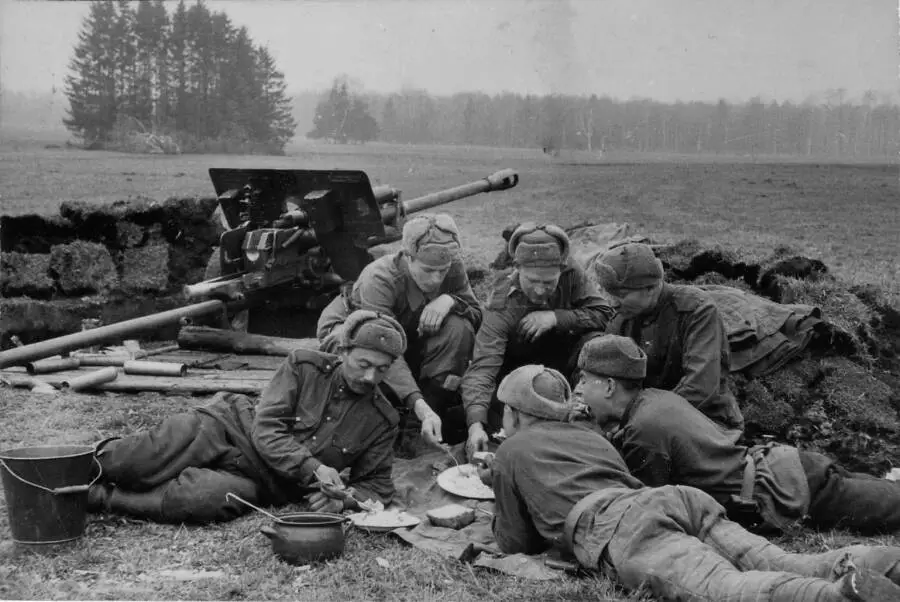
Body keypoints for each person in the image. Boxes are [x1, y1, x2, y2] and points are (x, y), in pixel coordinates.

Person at [481, 363, 900, 601]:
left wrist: (498, 495)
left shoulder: (510, 452)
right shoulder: (591, 436)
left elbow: (516, 542)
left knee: (723, 588)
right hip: (674, 501)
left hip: (619, 526)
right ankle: (881, 562)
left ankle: (838, 597)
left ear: (514, 414)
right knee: (787, 563)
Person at [88, 310, 406, 524]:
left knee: (200, 498)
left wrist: (342, 501)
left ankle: (99, 497)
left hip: (263, 482)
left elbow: (377, 486)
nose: (370, 377)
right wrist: (314, 468)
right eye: (363, 364)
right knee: (136, 459)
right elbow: (266, 429)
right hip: (228, 428)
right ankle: (73, 467)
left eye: (381, 369)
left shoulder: (382, 420)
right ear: (344, 351)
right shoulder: (304, 367)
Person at [577, 333, 900, 536]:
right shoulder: (654, 401)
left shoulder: (643, 429)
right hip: (788, 468)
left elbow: (648, 507)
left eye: (584, 380)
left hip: (784, 489)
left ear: (609, 386)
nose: (578, 390)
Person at [317, 213, 481, 447]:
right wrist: (418, 403)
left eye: (442, 271)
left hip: (409, 333)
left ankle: (419, 423)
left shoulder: (451, 265)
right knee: (360, 355)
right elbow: (380, 343)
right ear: (408, 257)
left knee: (459, 328)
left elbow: (476, 314)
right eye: (428, 270)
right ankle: (369, 421)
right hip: (357, 330)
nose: (436, 279)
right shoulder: (380, 277)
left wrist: (451, 301)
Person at [461, 222, 613, 459]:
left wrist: (556, 317)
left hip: (567, 366)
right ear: (517, 269)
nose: (541, 290)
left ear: (561, 270)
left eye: (549, 283)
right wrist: (475, 424)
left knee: (596, 342)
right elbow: (483, 369)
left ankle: (590, 420)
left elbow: (604, 313)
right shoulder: (501, 305)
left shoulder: (572, 274)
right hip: (520, 376)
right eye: (532, 281)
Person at [590, 241, 745, 432]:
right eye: (607, 292)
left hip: (705, 420)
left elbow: (701, 388)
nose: (611, 302)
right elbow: (602, 378)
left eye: (621, 294)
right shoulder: (621, 319)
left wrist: (637, 421)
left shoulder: (696, 311)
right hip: (641, 419)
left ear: (652, 288)